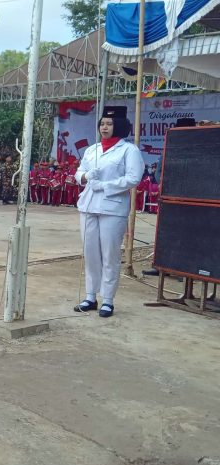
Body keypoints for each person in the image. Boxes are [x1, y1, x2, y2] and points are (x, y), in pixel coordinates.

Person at [74, 106, 144, 318]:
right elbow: (79, 172)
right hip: (88, 205)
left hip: (112, 207)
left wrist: (105, 185)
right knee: (90, 252)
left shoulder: (129, 150)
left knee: (110, 254)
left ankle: (108, 299)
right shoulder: (92, 149)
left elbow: (133, 178)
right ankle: (90, 296)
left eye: (109, 124)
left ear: (119, 125)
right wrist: (85, 176)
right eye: (102, 123)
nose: (104, 127)